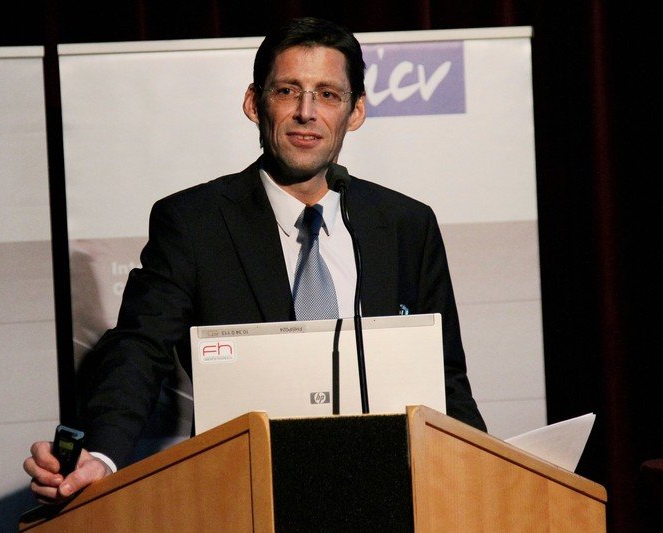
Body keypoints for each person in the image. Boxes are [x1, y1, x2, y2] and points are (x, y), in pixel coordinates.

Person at [25, 16, 486, 502]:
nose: (306, 112)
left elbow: (444, 376)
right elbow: (141, 347)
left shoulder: (405, 224)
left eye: (328, 94)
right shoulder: (194, 222)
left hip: (387, 492)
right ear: (254, 103)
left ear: (355, 112)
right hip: (245, 495)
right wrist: (102, 455)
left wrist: (486, 472)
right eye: (288, 91)